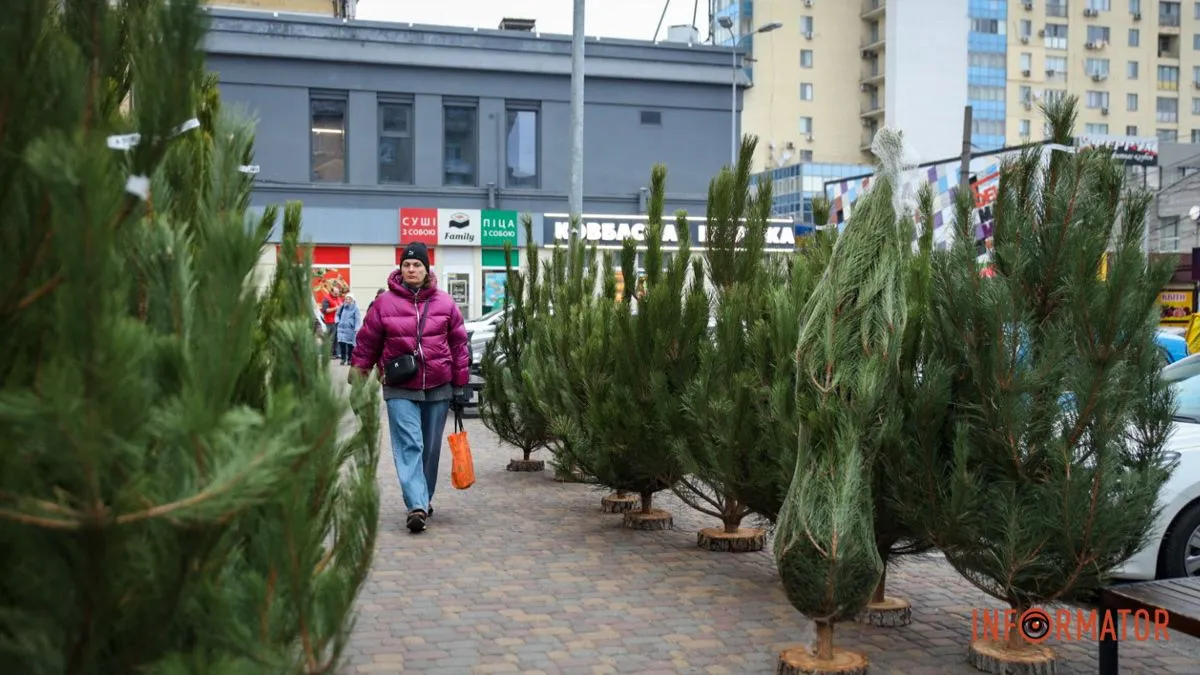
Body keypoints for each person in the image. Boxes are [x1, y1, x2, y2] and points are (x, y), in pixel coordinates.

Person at [350, 242, 470, 533]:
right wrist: (358, 377)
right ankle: (416, 505)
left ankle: (423, 499)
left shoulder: (445, 303)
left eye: (417, 265)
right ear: (400, 269)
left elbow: (459, 344)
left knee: (430, 449)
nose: (412, 269)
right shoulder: (384, 304)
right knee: (410, 444)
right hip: (399, 385)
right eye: (407, 265)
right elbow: (367, 343)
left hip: (438, 385)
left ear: (427, 269)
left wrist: (461, 383)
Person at [334, 293, 361, 365]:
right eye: (346, 299)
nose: (347, 300)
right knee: (342, 344)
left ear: (352, 300)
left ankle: (349, 359)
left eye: (349, 299)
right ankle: (343, 359)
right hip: (341, 329)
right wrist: (337, 322)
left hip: (350, 329)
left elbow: (358, 319)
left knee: (350, 345)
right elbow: (337, 314)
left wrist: (357, 328)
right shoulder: (342, 306)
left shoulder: (355, 308)